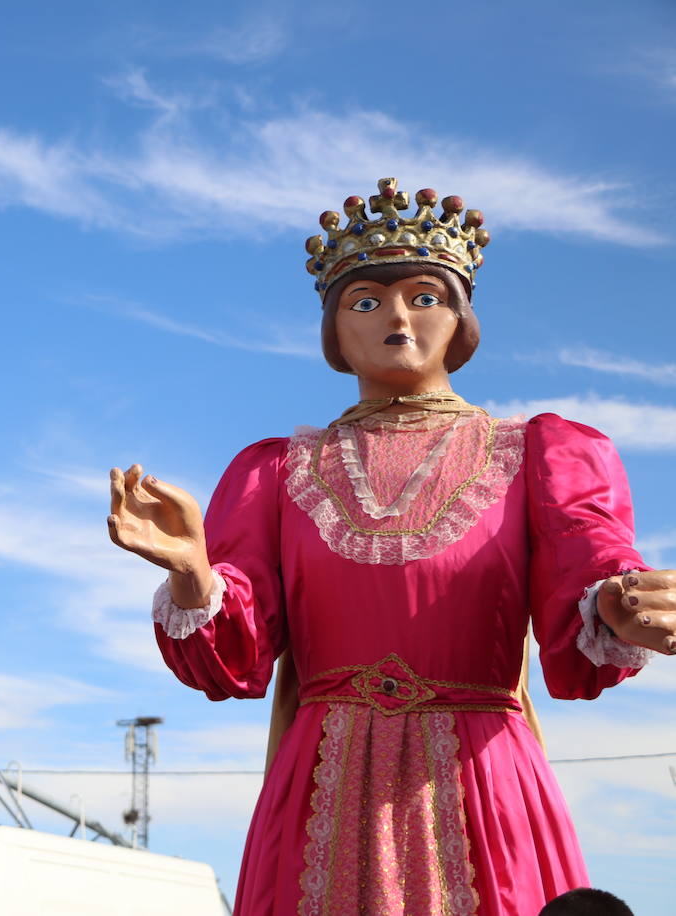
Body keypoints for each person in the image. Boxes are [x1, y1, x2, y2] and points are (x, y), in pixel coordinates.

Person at [106, 180, 675, 915]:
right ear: (334, 333)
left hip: (479, 779)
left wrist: (617, 605)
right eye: (366, 301)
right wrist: (194, 576)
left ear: (461, 319)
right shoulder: (276, 470)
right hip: (322, 787)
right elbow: (236, 658)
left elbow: (588, 573)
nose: (398, 318)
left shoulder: (539, 452)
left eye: (424, 296)